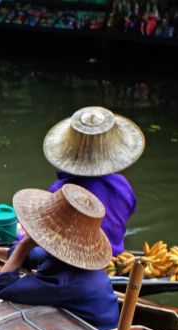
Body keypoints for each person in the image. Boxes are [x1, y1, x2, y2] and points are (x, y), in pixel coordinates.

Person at [0, 183, 119, 330]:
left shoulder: (63, 282)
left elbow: (2, 287)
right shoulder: (68, 259)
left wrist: (24, 244)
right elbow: (34, 256)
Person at [43, 106, 145, 255]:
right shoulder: (122, 185)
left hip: (74, 262)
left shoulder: (59, 190)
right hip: (114, 255)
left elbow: (44, 234)